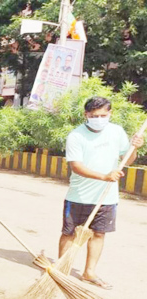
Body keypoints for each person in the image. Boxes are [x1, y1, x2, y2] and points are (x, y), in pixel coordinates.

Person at [60, 96, 144, 290]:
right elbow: (76, 166)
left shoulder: (117, 131)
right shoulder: (76, 135)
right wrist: (104, 176)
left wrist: (134, 148)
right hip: (79, 195)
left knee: (98, 234)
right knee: (69, 233)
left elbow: (127, 159)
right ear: (86, 115)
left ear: (110, 113)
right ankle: (62, 268)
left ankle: (89, 272)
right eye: (94, 115)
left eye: (103, 115)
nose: (99, 118)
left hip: (107, 197)